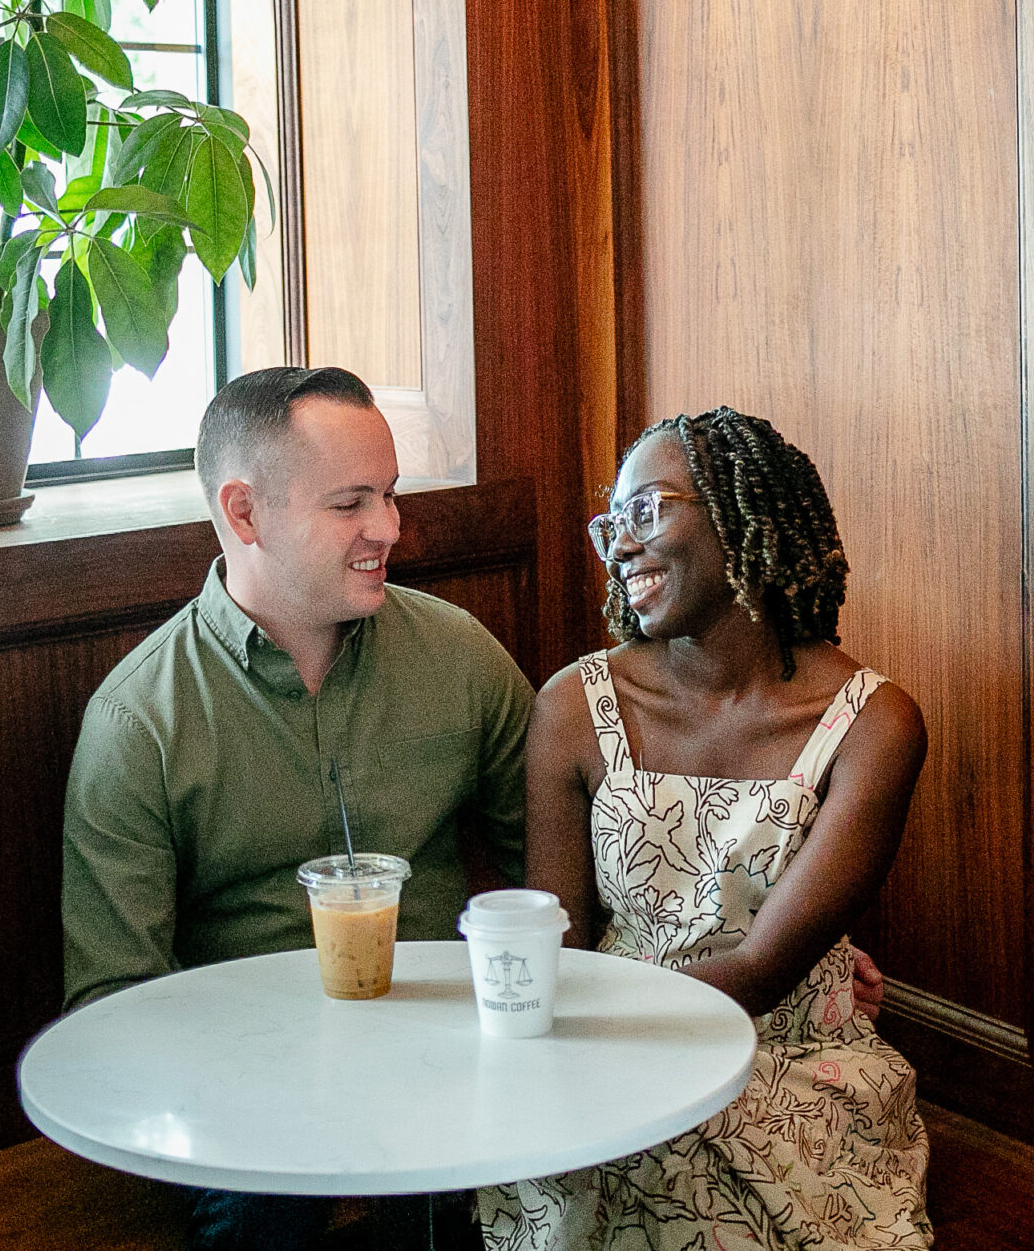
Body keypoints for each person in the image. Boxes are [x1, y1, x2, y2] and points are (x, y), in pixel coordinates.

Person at [61, 365, 536, 1251]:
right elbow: (111, 1001)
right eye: (350, 503)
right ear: (244, 514)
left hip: (453, 1063)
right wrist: (254, 1091)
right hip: (250, 1106)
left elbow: (559, 873)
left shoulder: (459, 656)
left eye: (390, 496)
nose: (389, 529)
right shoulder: (141, 720)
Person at [481, 407, 932, 1251]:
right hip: (598, 1041)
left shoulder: (875, 725)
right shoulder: (575, 706)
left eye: (649, 511)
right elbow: (560, 933)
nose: (620, 547)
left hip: (782, 1056)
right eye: (612, 524)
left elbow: (763, 972)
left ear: (739, 513)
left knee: (672, 1157)